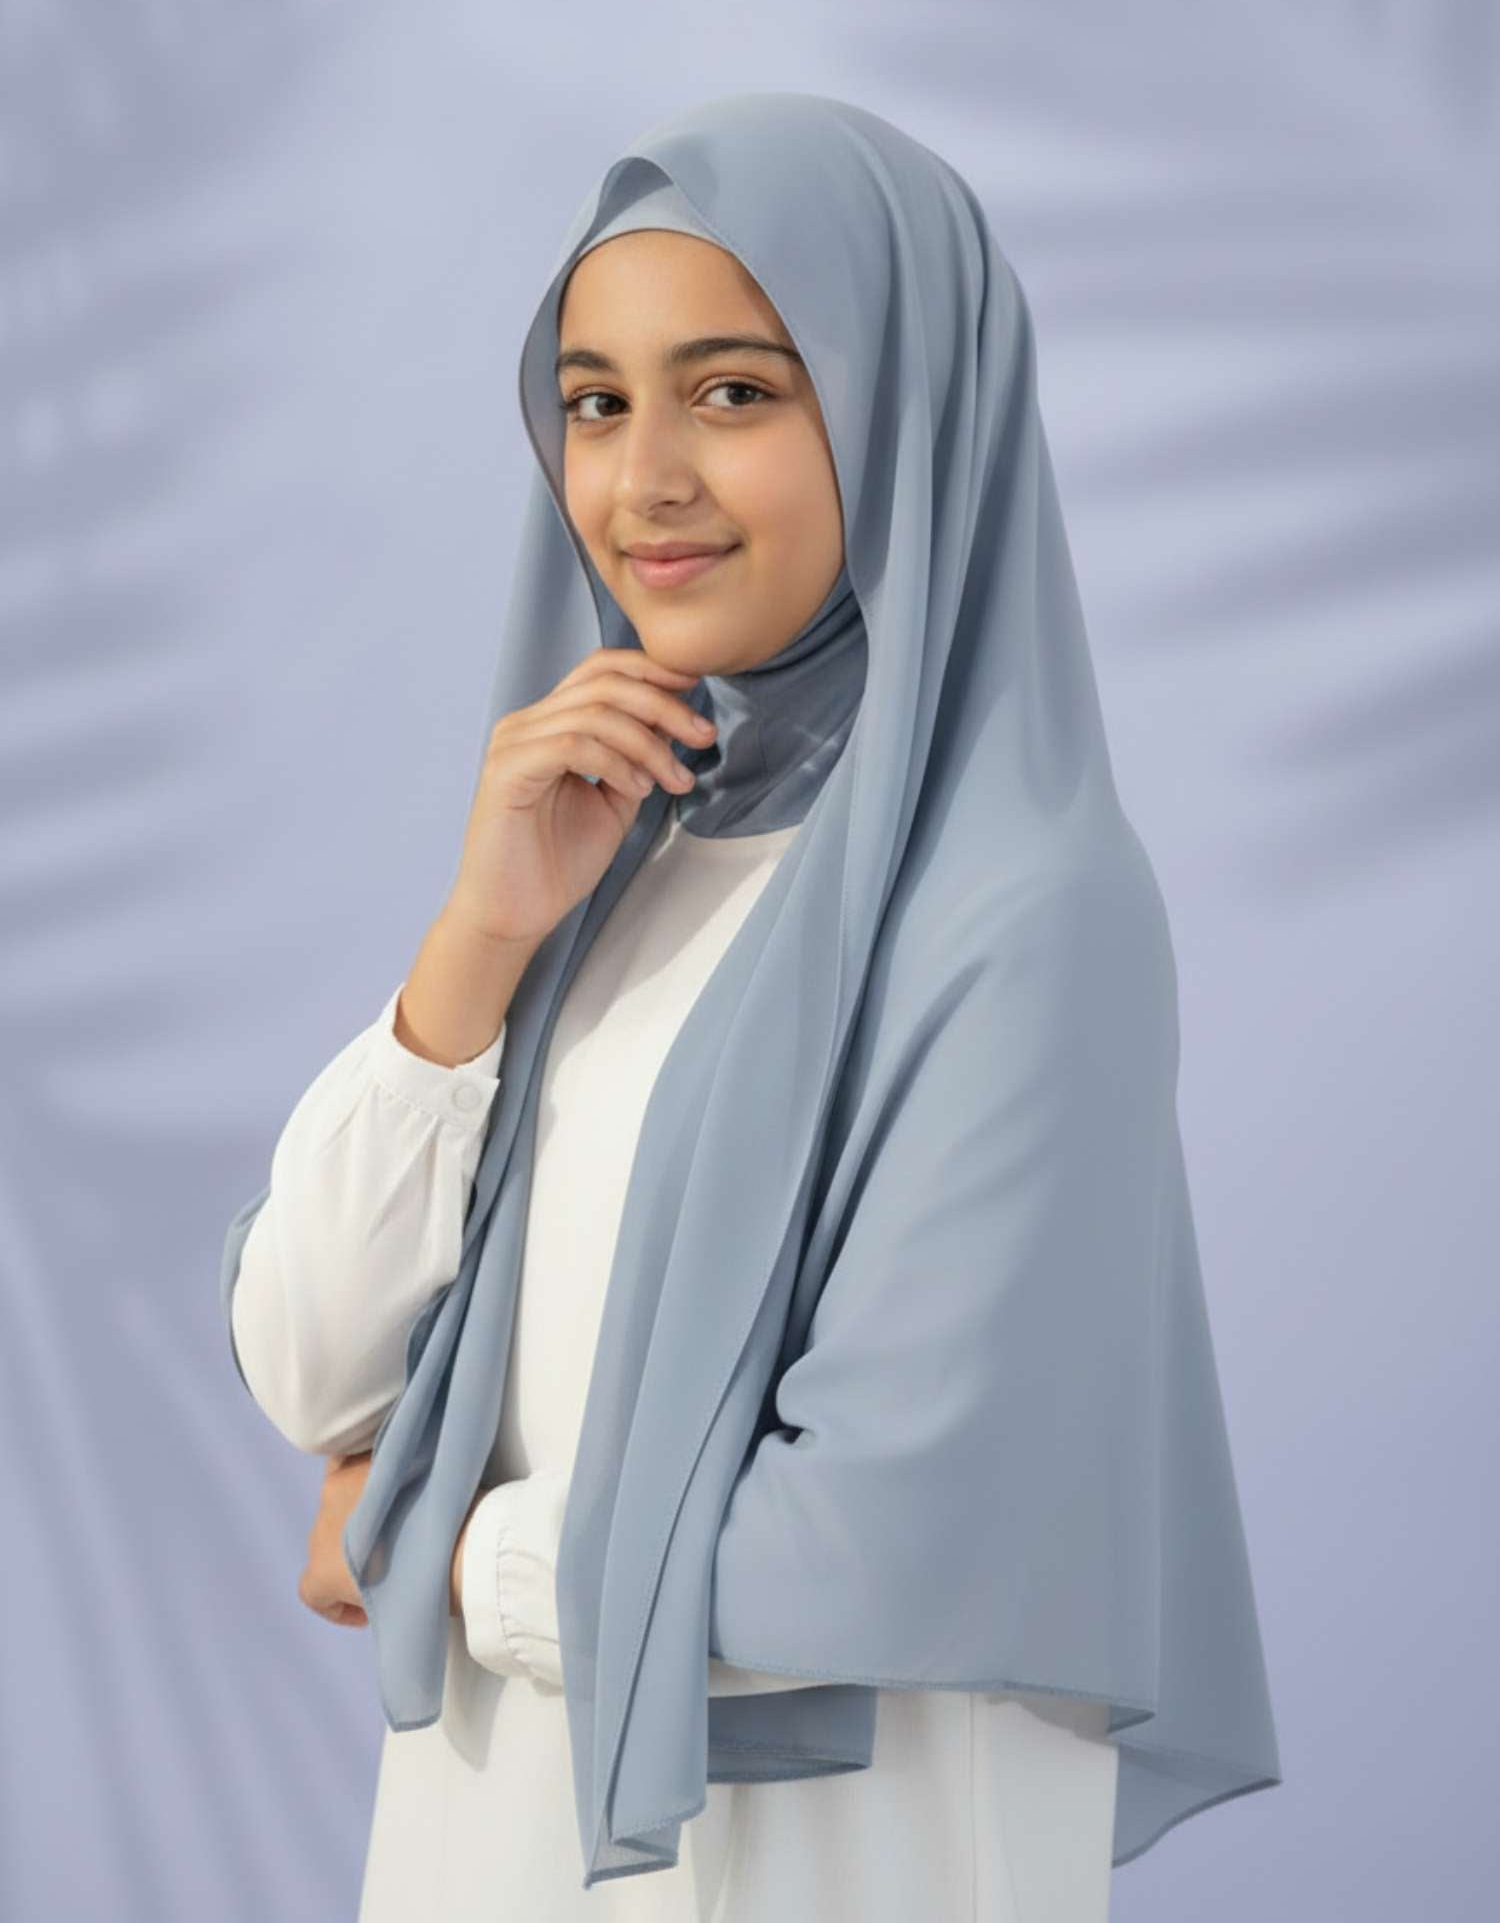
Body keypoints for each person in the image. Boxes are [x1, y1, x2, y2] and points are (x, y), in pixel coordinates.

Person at [221, 92, 1280, 1919]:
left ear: (905, 413)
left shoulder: (1024, 915)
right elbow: (311, 1363)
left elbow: (879, 1544)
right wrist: (478, 944)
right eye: (597, 400)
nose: (645, 483)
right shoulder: (605, 856)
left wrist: (431, 1553)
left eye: (736, 392)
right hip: (490, 1851)